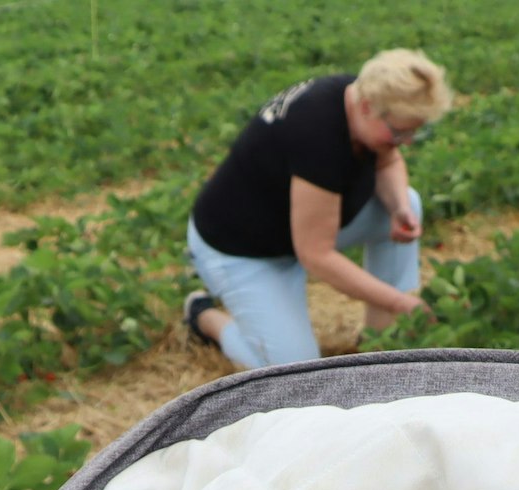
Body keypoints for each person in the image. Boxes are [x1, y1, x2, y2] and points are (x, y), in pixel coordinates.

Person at [181, 50, 452, 370]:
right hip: (242, 251)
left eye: (413, 132)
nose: (405, 141)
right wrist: (400, 302)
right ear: (366, 108)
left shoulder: (366, 94)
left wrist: (399, 207)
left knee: (411, 201)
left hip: (298, 229)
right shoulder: (317, 133)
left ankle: (380, 345)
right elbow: (316, 255)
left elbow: (389, 161)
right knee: (293, 372)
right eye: (398, 132)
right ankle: (204, 316)